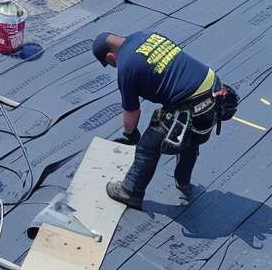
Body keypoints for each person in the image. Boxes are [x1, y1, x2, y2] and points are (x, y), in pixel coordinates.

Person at [92, 31, 238, 209]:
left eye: (109, 63)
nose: (113, 66)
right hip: (213, 89)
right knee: (190, 139)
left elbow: (131, 111)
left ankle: (130, 192)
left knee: (148, 146)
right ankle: (183, 181)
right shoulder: (145, 36)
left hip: (191, 102)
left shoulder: (126, 66)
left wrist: (130, 133)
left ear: (110, 55)